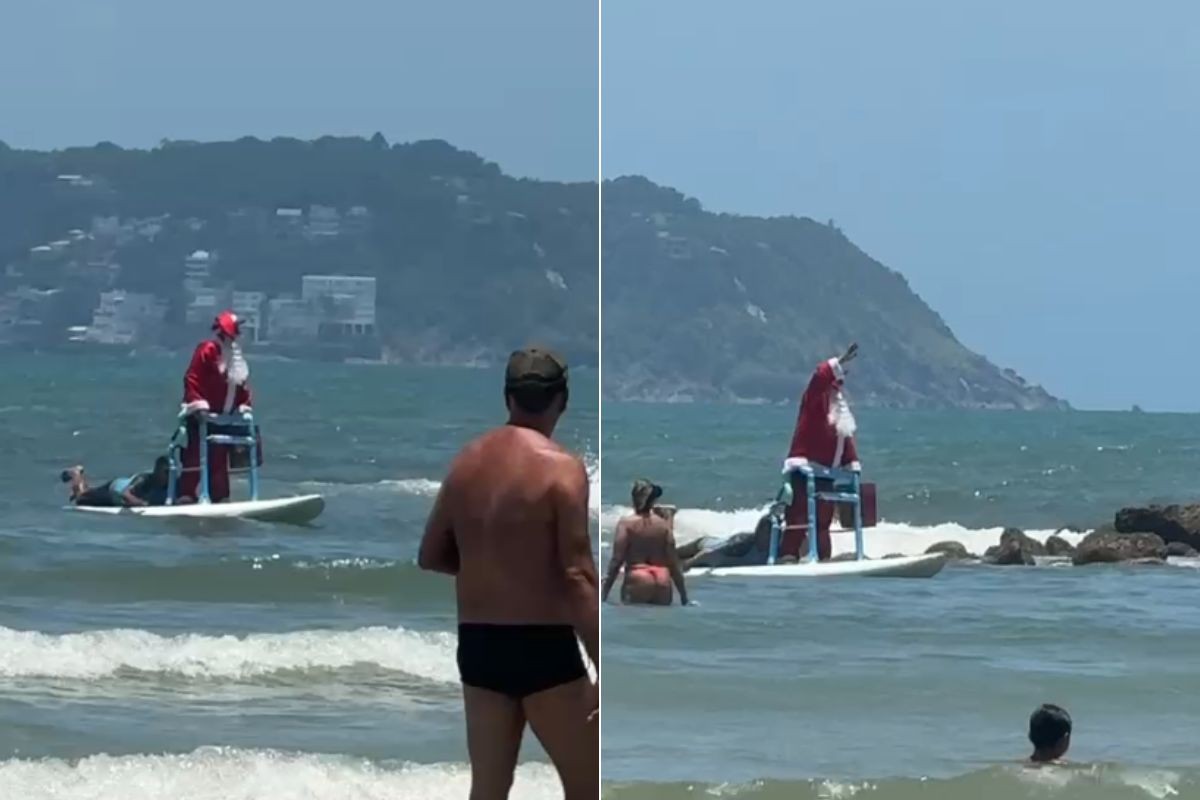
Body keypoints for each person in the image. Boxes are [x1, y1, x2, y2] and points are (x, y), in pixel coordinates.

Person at [418, 346, 597, 800]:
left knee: (489, 789)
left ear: (507, 398)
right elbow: (577, 573)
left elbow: (431, 555)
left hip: (479, 645)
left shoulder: (467, 462)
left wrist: (490, 563)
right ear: (563, 400)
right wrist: (604, 664)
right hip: (542, 648)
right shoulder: (563, 469)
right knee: (585, 784)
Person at [780, 342, 861, 561]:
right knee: (798, 515)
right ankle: (787, 556)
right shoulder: (815, 402)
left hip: (826, 475)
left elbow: (846, 443)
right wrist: (839, 361)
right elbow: (819, 378)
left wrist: (852, 467)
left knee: (823, 521)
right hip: (804, 470)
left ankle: (823, 559)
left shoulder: (839, 413)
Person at [177, 310, 253, 503]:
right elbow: (192, 378)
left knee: (220, 459)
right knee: (195, 455)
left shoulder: (235, 356)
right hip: (201, 416)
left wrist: (244, 405)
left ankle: (219, 497)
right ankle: (185, 494)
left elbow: (241, 385)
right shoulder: (208, 349)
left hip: (225, 417)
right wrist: (198, 404)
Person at [602, 480, 689, 605]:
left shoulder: (626, 523)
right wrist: (684, 597)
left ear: (634, 498)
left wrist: (604, 593)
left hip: (639, 577)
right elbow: (673, 562)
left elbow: (617, 560)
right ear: (653, 501)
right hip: (663, 579)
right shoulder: (664, 525)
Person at [681, 510, 777, 570]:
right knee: (671, 555)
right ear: (759, 532)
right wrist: (686, 565)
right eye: (768, 533)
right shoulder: (743, 543)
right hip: (703, 547)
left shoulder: (775, 548)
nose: (771, 537)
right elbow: (708, 553)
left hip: (714, 556)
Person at [62, 457, 170, 508]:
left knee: (89, 492)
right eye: (166, 472)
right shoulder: (145, 478)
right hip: (114, 491)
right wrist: (141, 504)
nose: (168, 475)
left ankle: (81, 478)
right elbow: (125, 494)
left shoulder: (171, 481)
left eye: (170, 472)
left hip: (117, 496)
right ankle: (76, 474)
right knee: (80, 498)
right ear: (156, 470)